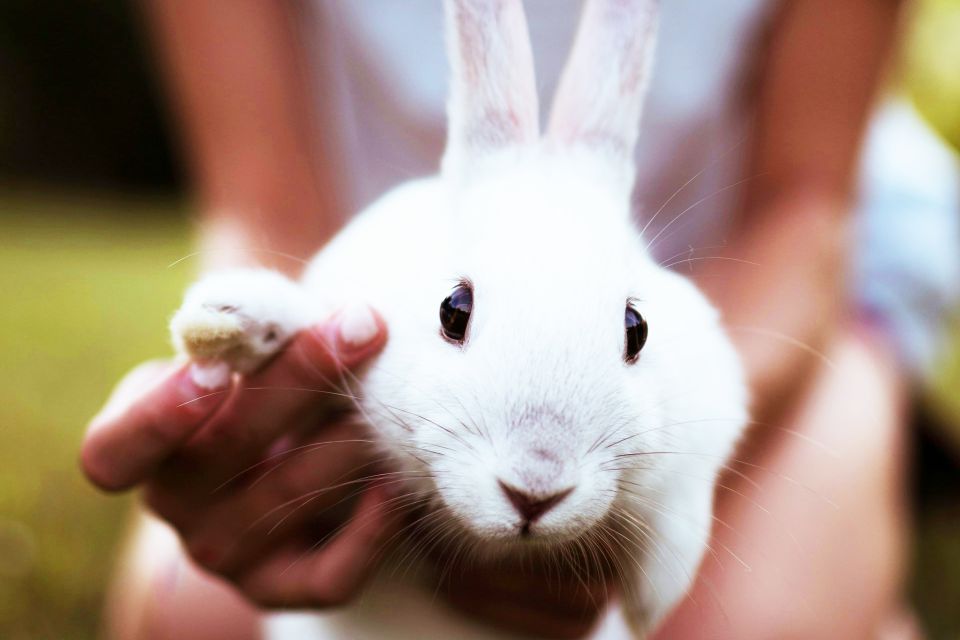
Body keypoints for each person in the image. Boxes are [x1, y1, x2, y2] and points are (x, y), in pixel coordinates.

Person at [81, 0, 958, 638]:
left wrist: (663, 490)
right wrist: (260, 398)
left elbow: (804, 206)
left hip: (769, 278)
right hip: (396, 235)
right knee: (195, 616)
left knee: (758, 625)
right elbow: (264, 203)